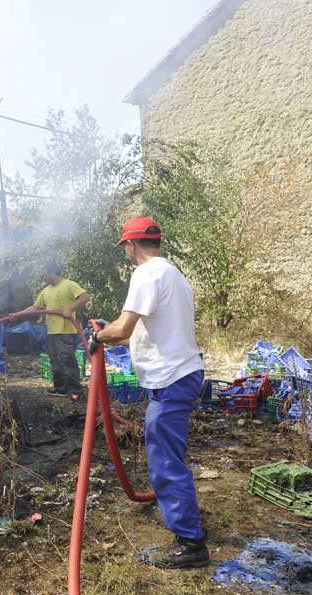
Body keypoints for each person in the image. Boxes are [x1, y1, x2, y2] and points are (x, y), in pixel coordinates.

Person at [93, 216, 209, 568]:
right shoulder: (173, 274)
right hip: (178, 375)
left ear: (131, 245)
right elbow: (140, 333)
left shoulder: (145, 274)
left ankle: (190, 546)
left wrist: (97, 336)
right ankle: (187, 530)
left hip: (172, 379)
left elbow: (122, 328)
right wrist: (108, 333)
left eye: (125, 247)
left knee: (166, 462)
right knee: (165, 456)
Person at [21, 262, 90, 397]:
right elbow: (35, 308)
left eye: (44, 273)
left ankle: (76, 392)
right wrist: (17, 314)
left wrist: (70, 309)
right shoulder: (46, 291)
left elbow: (85, 297)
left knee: (67, 361)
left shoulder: (69, 284)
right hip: (51, 332)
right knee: (55, 362)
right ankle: (61, 389)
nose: (42, 276)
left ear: (52, 272)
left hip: (66, 331)